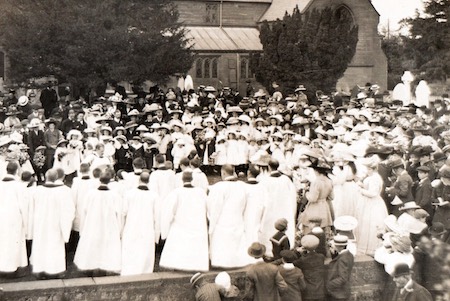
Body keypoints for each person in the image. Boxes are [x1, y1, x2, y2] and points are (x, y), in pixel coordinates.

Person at [74, 170, 124, 276]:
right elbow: (119, 214)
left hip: (93, 224)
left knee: (93, 244)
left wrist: (82, 227)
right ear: (110, 180)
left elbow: (84, 211)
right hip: (108, 225)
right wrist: (119, 230)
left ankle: (92, 268)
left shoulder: (90, 194)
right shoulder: (115, 196)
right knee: (104, 246)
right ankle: (99, 268)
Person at [29, 169, 75, 278]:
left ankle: (40, 270)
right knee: (54, 246)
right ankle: (55, 271)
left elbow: (32, 208)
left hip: (41, 224)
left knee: (41, 245)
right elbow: (70, 211)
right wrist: (66, 224)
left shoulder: (37, 191)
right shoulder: (64, 191)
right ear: (57, 178)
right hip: (56, 224)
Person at [159, 171, 209, 271]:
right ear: (192, 179)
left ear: (182, 179)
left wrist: (164, 231)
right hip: (195, 225)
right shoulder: (201, 192)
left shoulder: (176, 193)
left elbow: (168, 212)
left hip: (183, 224)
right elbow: (208, 208)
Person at [207, 164, 248, 268]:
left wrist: (211, 220)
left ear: (223, 173)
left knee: (223, 242)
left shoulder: (219, 187)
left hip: (223, 219)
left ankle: (222, 262)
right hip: (237, 217)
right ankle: (236, 262)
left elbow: (214, 206)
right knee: (235, 241)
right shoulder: (242, 186)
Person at [121, 172, 160, 276]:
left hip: (132, 227)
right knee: (144, 252)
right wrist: (157, 235)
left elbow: (123, 212)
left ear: (139, 180)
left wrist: (121, 230)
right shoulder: (154, 195)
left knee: (132, 251)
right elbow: (157, 217)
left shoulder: (129, 194)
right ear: (149, 181)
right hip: (146, 228)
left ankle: (131, 272)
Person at [259, 159, 297, 255]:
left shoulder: (264, 181)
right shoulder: (286, 180)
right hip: (284, 209)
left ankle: (270, 251)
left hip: (271, 209)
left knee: (269, 228)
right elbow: (293, 196)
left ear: (269, 167)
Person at [0, 162, 29, 276]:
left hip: (1, 216)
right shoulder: (19, 186)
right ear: (16, 171)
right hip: (14, 217)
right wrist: (26, 223)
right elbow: (23, 205)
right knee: (13, 242)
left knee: (3, 242)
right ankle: (11, 269)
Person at [356, 156, 388, 255]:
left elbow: (373, 193)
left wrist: (361, 190)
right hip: (369, 203)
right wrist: (362, 186)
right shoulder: (372, 177)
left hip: (373, 204)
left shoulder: (375, 178)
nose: (366, 171)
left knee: (370, 223)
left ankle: (372, 248)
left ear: (371, 169)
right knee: (365, 223)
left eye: (367, 169)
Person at [294, 235, 326, 301]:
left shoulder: (302, 260)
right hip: (320, 291)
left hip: (308, 293)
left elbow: (292, 262)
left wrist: (297, 252)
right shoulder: (321, 257)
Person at [326, 235, 354, 301]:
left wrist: (329, 285)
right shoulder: (349, 255)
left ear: (339, 246)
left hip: (339, 293)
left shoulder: (342, 259)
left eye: (334, 245)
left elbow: (342, 278)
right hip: (343, 291)